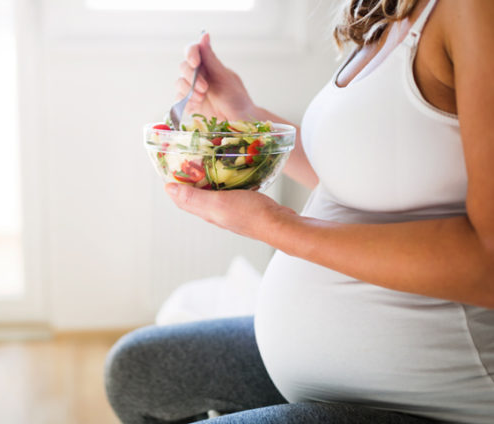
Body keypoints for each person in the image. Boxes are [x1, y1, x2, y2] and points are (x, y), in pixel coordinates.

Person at [105, 0, 494, 422]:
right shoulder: (393, 11)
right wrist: (243, 112)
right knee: (136, 372)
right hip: (336, 373)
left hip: (429, 400)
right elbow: (361, 173)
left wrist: (274, 225)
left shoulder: (473, 10)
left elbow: (488, 264)